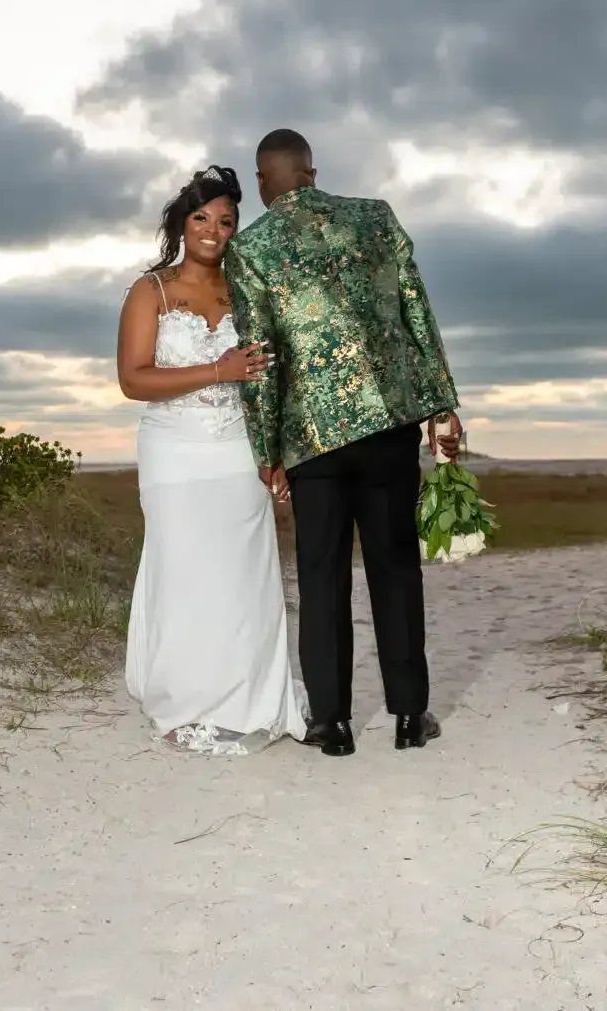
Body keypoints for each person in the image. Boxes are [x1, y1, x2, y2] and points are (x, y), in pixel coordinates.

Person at [225, 129, 462, 758]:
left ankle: (331, 722)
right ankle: (411, 716)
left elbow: (261, 361)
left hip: (312, 441)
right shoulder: (374, 218)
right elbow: (416, 308)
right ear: (310, 171)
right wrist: (443, 404)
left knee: (322, 578)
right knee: (395, 569)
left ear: (262, 181)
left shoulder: (250, 249)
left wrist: (266, 449)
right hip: (387, 428)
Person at [115, 165, 308, 756]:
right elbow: (133, 378)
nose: (214, 230)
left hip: (238, 450)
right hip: (173, 452)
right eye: (202, 217)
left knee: (244, 579)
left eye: (226, 221)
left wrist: (275, 456)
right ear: (181, 222)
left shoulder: (247, 291)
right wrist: (218, 369)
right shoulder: (152, 291)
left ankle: (249, 697)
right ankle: (186, 700)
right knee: (186, 574)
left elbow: (275, 380)